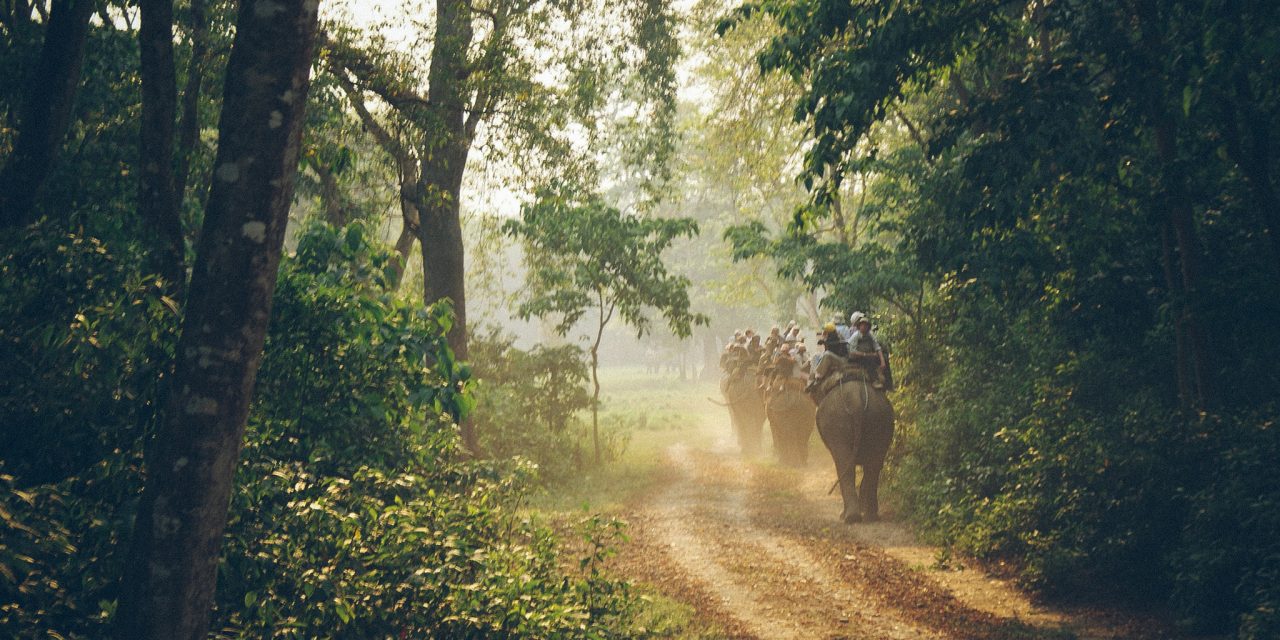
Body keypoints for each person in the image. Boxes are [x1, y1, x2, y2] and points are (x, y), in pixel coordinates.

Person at [848, 312, 889, 390]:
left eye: (866, 325)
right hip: (856, 357)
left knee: (885, 358)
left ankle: (887, 383)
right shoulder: (855, 336)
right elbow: (852, 351)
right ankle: (874, 380)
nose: (864, 327)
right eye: (862, 325)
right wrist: (866, 354)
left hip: (869, 354)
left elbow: (877, 347)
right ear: (859, 326)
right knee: (869, 360)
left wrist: (882, 361)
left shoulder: (869, 335)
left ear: (868, 327)